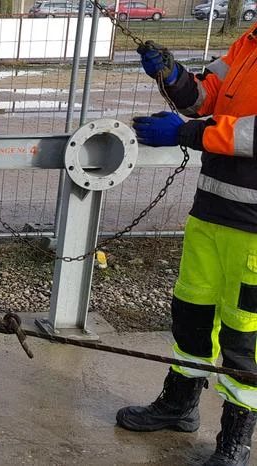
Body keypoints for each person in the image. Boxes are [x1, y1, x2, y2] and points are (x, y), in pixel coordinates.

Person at [117, 26, 257, 466]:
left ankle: (235, 439)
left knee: (245, 334)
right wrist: (173, 76)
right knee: (192, 311)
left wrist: (186, 134)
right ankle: (179, 404)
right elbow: (204, 98)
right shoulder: (248, 42)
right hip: (213, 210)